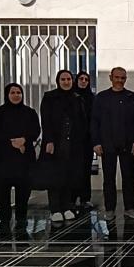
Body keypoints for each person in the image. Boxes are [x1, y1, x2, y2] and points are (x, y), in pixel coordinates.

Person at [91, 67, 134, 221]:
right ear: (111, 77)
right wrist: (96, 142)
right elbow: (94, 121)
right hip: (107, 144)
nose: (120, 80)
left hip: (127, 144)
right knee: (108, 179)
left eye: (123, 78)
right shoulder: (101, 98)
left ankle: (130, 208)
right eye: (117, 77)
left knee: (128, 178)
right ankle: (109, 209)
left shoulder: (132, 97)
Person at [0, 83, 41, 233]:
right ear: (7, 95)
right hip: (3, 157)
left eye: (19, 92)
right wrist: (13, 142)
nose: (16, 95)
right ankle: (4, 219)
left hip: (24, 158)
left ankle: (21, 218)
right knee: (3, 190)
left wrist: (24, 140)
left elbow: (35, 130)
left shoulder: (29, 112)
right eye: (13, 92)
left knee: (23, 189)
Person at [41, 70, 90, 222]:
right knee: (55, 176)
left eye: (69, 79)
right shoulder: (50, 97)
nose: (66, 82)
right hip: (55, 143)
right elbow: (46, 121)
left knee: (70, 175)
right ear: (58, 81)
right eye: (63, 79)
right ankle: (55, 208)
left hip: (73, 144)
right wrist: (49, 140)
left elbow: (82, 121)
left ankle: (67, 206)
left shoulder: (77, 98)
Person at [73, 71, 95, 211]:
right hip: (73, 140)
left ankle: (85, 198)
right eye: (81, 79)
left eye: (86, 79)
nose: (83, 81)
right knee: (73, 169)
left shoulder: (92, 98)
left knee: (86, 169)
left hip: (87, 140)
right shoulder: (71, 97)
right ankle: (72, 198)